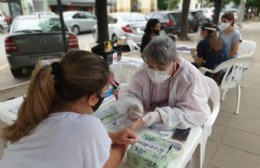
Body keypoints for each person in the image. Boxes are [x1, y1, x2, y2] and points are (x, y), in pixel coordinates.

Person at [0, 50, 143, 168]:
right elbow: (108, 164)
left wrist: (111, 136)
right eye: (105, 91)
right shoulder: (87, 127)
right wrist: (123, 144)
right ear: (92, 98)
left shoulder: (36, 112)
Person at [115, 36, 211, 129]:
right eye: (151, 67)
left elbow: (195, 113)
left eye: (162, 68)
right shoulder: (144, 69)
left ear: (175, 60)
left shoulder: (189, 76)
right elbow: (131, 93)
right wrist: (133, 105)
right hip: (147, 124)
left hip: (178, 126)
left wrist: (160, 116)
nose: (155, 72)